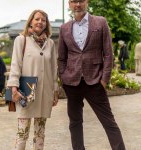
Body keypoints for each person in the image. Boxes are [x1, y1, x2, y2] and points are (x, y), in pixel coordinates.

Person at [58, 0, 126, 149]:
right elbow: (62, 57)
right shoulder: (64, 28)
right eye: (74, 1)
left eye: (80, 1)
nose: (78, 5)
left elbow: (108, 53)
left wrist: (104, 79)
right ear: (69, 3)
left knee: (109, 122)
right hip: (72, 83)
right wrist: (63, 77)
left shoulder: (100, 22)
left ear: (86, 2)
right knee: (75, 123)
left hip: (95, 81)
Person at [7, 9, 58, 150]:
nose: (40, 22)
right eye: (37, 19)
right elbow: (15, 65)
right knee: (22, 134)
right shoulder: (21, 40)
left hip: (45, 94)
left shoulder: (51, 44)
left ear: (46, 24)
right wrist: (13, 88)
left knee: (40, 134)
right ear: (30, 21)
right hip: (26, 93)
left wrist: (55, 91)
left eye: (43, 20)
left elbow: (54, 69)